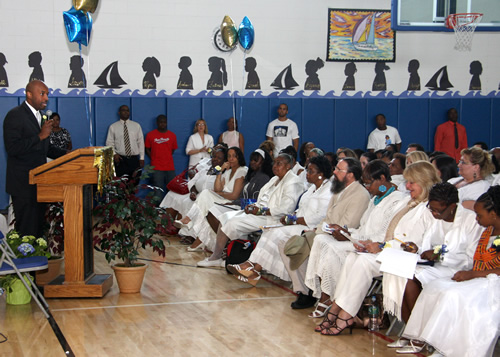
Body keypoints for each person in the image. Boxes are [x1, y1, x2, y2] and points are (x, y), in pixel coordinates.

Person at [315, 161, 440, 336]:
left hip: (400, 255)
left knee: (363, 263)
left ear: (425, 181)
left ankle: (345, 314)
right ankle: (337, 308)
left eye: (412, 182)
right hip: (388, 249)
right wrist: (358, 238)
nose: (407, 186)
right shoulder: (409, 202)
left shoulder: (429, 209)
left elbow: (413, 242)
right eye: (408, 182)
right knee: (353, 257)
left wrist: (381, 246)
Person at [401, 186, 500, 357]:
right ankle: (432, 342)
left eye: (479, 215)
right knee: (436, 286)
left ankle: (453, 350)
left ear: (493, 214)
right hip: (480, 278)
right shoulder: (488, 232)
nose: (476, 219)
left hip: (493, 284)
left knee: (452, 295)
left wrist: (471, 275)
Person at [305, 160, 406, 317]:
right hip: (361, 241)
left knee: (332, 249)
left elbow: (385, 234)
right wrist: (347, 232)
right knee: (321, 240)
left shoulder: (397, 200)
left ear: (382, 179)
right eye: (365, 183)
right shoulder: (375, 199)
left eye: (369, 183)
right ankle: (327, 296)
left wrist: (354, 238)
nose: (367, 187)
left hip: (377, 247)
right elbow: (362, 228)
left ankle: (331, 299)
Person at [382, 183, 482, 331]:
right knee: (396, 273)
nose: (434, 214)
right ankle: (410, 330)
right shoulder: (433, 217)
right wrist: (417, 249)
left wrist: (441, 256)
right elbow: (429, 246)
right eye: (431, 208)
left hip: (454, 269)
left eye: (438, 211)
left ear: (452, 206)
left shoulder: (471, 221)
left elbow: (470, 260)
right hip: (430, 265)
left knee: (409, 279)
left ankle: (416, 332)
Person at [227, 156, 333, 290]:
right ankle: (252, 267)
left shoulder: (328, 191)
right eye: (307, 170)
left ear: (321, 174)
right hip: (298, 223)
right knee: (272, 230)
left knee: (277, 233)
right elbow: (301, 208)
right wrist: (292, 216)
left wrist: (294, 220)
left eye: (311, 171)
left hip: (311, 228)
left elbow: (319, 217)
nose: (307, 174)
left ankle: (252, 268)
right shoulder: (312, 189)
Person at [196, 153, 304, 268]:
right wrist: (252, 206)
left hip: (272, 218)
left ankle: (222, 256)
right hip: (259, 213)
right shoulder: (274, 179)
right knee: (226, 217)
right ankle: (229, 256)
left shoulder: (293, 182)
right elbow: (262, 199)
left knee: (232, 222)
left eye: (279, 163)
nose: (275, 166)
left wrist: (260, 211)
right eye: (274, 163)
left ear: (288, 166)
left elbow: (286, 209)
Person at [3, 80, 66, 237]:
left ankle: (38, 260)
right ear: (29, 94)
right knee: (27, 229)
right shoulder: (15, 115)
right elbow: (12, 148)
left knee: (38, 229)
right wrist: (40, 136)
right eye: (42, 94)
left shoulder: (42, 117)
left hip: (40, 183)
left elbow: (46, 148)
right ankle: (26, 261)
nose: (46, 98)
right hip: (23, 184)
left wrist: (70, 154)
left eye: (47, 95)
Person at [189, 148, 273, 252]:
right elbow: (220, 190)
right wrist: (220, 171)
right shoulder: (252, 176)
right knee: (209, 208)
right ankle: (216, 243)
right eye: (251, 160)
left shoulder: (262, 178)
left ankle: (224, 244)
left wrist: (230, 200)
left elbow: (240, 197)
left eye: (256, 160)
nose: (252, 162)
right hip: (239, 205)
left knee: (210, 207)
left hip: (247, 209)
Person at [175, 147, 248, 247]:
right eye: (229, 156)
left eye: (234, 156)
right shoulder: (227, 171)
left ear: (239, 157)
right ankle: (189, 221)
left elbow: (234, 195)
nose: (231, 159)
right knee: (205, 195)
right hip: (222, 198)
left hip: (232, 203)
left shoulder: (242, 171)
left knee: (206, 195)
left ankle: (189, 220)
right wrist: (220, 171)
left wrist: (219, 194)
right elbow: (217, 188)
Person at [106, 105, 145, 178]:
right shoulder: (113, 127)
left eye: (127, 110)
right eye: (123, 110)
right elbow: (109, 142)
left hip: (134, 159)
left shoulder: (136, 126)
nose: (126, 112)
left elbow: (141, 142)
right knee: (121, 184)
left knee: (134, 183)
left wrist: (142, 158)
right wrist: (114, 154)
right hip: (120, 160)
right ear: (119, 112)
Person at [145, 115, 178, 201]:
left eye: (164, 122)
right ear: (157, 123)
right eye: (160, 122)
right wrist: (153, 157)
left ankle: (169, 208)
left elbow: (173, 149)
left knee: (171, 189)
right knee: (158, 189)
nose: (162, 124)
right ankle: (157, 210)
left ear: (166, 123)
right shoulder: (150, 135)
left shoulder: (172, 135)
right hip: (156, 167)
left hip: (169, 167)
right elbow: (147, 148)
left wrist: (165, 156)